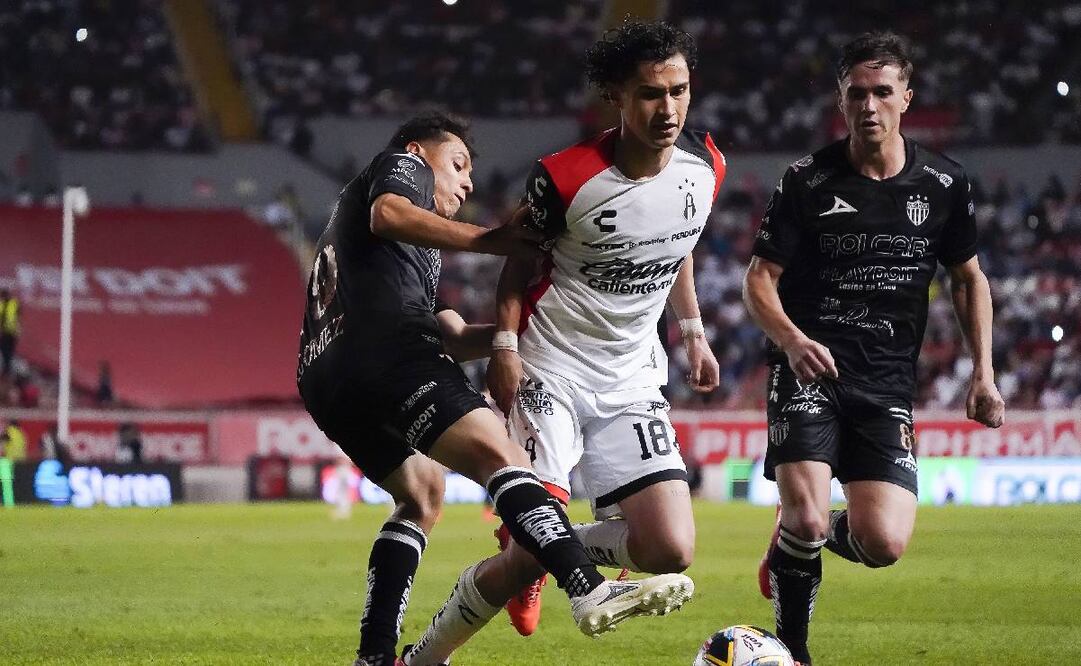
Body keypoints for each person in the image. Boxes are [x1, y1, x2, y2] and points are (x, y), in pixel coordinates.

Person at [295, 112, 694, 666]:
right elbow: (390, 214)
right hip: (387, 350)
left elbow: (454, 336)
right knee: (502, 457)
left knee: (421, 498)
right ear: (418, 152)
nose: (467, 184)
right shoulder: (397, 170)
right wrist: (493, 241)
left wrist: (533, 332)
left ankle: (375, 656)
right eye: (457, 165)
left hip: (326, 378)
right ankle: (587, 585)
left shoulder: (396, 250)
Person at [402, 20, 722, 664]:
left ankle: (554, 547)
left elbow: (680, 243)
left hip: (634, 378)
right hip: (553, 368)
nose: (669, 109)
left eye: (679, 91)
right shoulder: (565, 178)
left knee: (670, 551)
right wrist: (506, 348)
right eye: (651, 95)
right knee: (521, 563)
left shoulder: (705, 167)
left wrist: (693, 334)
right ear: (617, 98)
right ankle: (423, 658)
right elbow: (518, 264)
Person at [742, 32, 1005, 665]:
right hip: (809, 371)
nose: (869, 106)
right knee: (806, 520)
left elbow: (969, 277)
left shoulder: (944, 182)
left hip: (886, 383)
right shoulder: (807, 180)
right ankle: (794, 650)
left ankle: (790, 547)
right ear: (841, 99)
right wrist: (792, 340)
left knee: (882, 542)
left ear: (906, 98)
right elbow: (759, 280)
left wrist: (983, 374)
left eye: (883, 92)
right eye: (857, 93)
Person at [0, 288, 19, 378]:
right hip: (12, 332)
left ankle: (6, 370)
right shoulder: (14, 303)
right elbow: (18, 317)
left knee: (5, 352)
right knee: (9, 352)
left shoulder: (1, 304)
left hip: (5, 333)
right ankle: (8, 369)